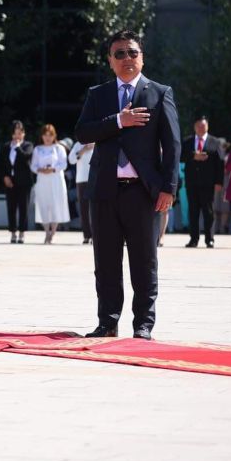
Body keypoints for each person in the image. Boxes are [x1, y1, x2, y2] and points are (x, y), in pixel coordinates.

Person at [75, 29, 179, 341]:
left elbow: (172, 146)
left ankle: (143, 325)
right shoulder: (99, 94)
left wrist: (168, 188)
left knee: (144, 261)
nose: (127, 59)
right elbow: (82, 132)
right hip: (104, 191)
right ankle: (107, 322)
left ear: (142, 57)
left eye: (132, 52)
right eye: (119, 54)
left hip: (142, 192)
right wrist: (118, 121)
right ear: (110, 60)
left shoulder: (159, 93)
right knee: (105, 262)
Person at [180, 116, 224, 248]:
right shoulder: (187, 141)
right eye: (198, 126)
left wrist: (219, 182)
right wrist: (193, 155)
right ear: (194, 127)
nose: (200, 128)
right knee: (193, 211)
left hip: (208, 183)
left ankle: (209, 239)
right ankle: (193, 239)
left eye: (203, 126)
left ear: (207, 127)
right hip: (192, 182)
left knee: (208, 212)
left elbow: (220, 163)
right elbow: (180, 156)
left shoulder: (214, 142)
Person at [30, 124, 70, 244]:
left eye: (50, 135)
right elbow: (33, 165)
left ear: (54, 136)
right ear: (42, 136)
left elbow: (64, 164)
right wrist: (40, 170)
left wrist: (52, 169)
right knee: (43, 204)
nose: (47, 138)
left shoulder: (59, 148)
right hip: (43, 180)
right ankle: (46, 231)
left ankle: (53, 231)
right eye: (45, 135)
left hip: (56, 180)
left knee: (55, 204)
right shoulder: (38, 149)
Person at [0, 121, 35, 244]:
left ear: (24, 134)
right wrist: (5, 177)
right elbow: (2, 164)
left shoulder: (28, 145)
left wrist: (18, 147)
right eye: (15, 133)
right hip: (10, 181)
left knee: (23, 208)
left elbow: (26, 157)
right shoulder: (6, 147)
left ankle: (22, 232)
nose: (17, 136)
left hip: (24, 182)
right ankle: (13, 232)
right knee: (11, 207)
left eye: (20, 133)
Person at [68, 139, 94, 243]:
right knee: (84, 208)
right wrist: (83, 150)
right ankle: (87, 235)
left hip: (95, 179)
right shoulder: (78, 145)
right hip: (82, 179)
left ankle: (95, 235)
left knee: (95, 209)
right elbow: (71, 160)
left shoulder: (98, 143)